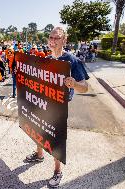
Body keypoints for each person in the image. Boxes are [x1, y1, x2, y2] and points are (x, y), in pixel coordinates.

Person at [24, 27, 89, 188]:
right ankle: (39, 155)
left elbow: (85, 87)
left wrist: (74, 84)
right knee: (38, 128)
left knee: (56, 139)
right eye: (51, 37)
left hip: (59, 107)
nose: (53, 40)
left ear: (64, 40)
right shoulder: (45, 59)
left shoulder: (72, 60)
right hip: (42, 102)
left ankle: (57, 171)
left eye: (57, 38)